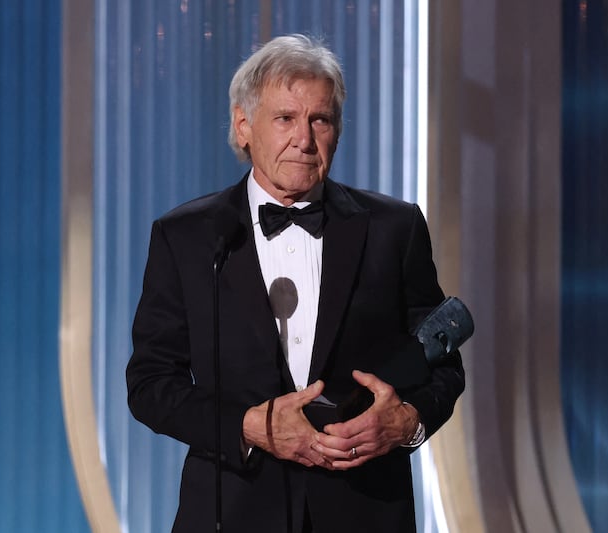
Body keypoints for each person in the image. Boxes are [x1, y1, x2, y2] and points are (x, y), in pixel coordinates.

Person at [126, 34, 464, 533]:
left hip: (365, 509)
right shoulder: (188, 236)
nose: (304, 139)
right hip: (231, 512)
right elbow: (151, 386)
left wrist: (406, 425)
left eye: (320, 119)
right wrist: (254, 427)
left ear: (337, 130)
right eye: (285, 118)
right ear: (244, 126)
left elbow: (444, 365)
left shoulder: (394, 228)